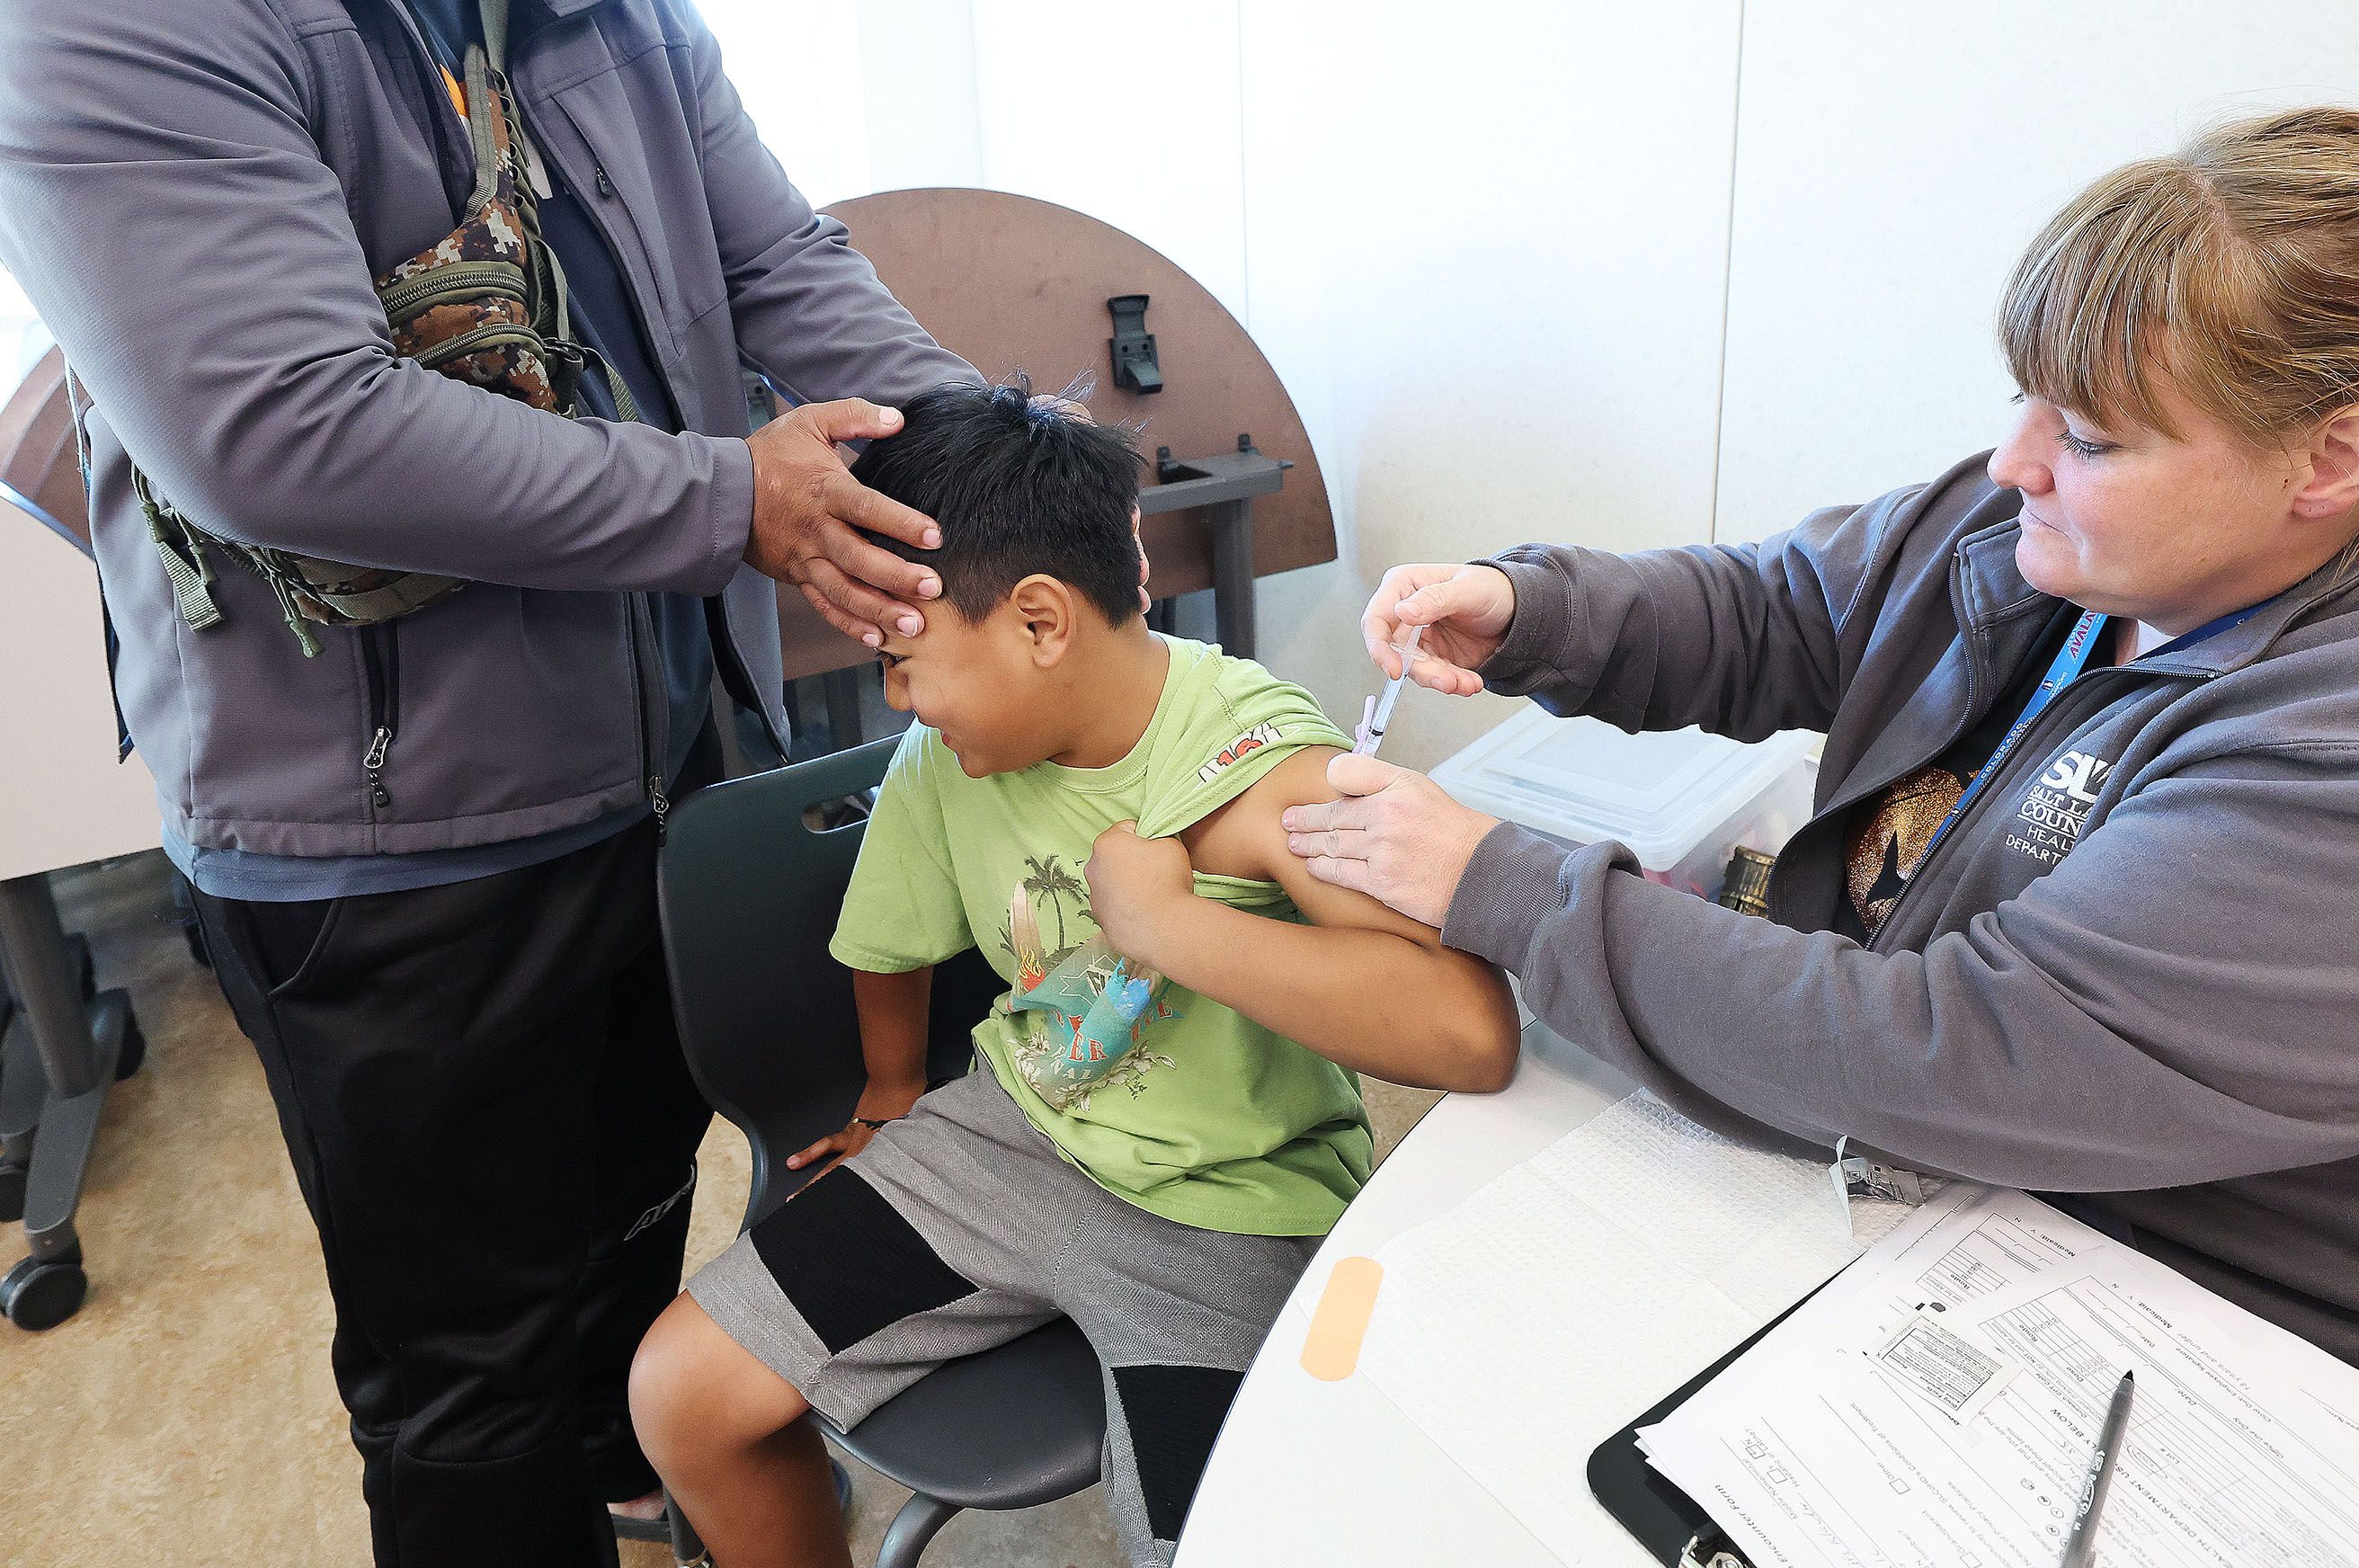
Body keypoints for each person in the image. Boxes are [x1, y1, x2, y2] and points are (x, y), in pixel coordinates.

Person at [0, 1, 981, 1561]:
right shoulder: (114, 24)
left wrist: (1008, 477)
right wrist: (733, 496)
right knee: (467, 1374)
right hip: (382, 840)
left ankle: (616, 1445)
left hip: (659, 755)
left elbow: (769, 262)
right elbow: (281, 430)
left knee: (635, 1195)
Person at [1283, 106, 2359, 1367]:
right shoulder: (2036, 529)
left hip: (2157, 1311)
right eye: (2028, 400)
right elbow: (1785, 606)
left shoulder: (2318, 757)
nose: (2014, 463)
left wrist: (1502, 887)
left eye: (2089, 438)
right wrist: (1537, 610)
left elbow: (1953, 1050)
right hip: (1881, 1159)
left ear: (2326, 462)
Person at [626, 380, 1521, 1568]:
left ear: (1040, 621)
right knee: (682, 1395)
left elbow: (1468, 1033)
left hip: (1232, 1209)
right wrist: (893, 1094)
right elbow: (887, 940)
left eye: (904, 659)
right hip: (1016, 1138)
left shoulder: (1260, 760)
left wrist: (1176, 932)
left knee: (1213, 1545)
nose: (895, 696)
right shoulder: (951, 758)